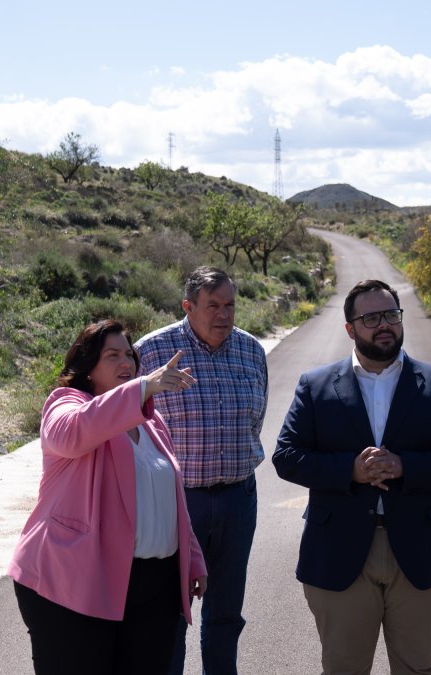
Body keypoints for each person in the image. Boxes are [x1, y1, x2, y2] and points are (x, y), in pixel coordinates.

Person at [273, 279, 431, 675]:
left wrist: (406, 467)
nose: (383, 325)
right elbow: (286, 456)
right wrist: (349, 470)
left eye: (390, 315)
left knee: (417, 668)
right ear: (350, 328)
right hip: (339, 551)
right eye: (370, 318)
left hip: (422, 550)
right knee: (343, 668)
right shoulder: (315, 387)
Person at [9, 319, 208, 674]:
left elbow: (168, 499)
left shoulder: (150, 421)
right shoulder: (65, 404)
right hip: (73, 582)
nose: (126, 363)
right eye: (112, 355)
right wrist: (143, 388)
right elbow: (72, 434)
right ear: (88, 368)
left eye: (129, 354)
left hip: (153, 585)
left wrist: (192, 558)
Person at [135, 267, 268, 675]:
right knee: (171, 613)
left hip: (237, 498)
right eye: (212, 305)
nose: (223, 315)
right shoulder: (151, 352)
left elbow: (256, 419)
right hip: (176, 504)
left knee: (227, 613)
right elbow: (129, 429)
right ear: (188, 306)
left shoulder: (251, 351)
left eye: (230, 305)